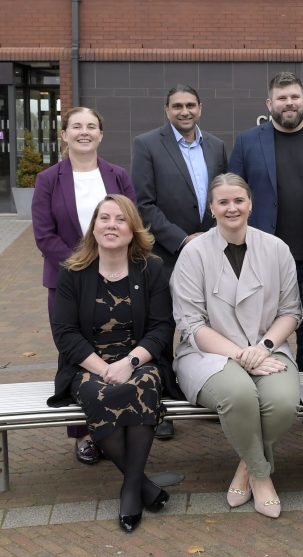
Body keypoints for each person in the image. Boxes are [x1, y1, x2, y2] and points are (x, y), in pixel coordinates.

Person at [170, 173, 302, 519]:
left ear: (250, 204)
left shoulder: (277, 249)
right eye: (223, 202)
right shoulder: (193, 253)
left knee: (284, 400)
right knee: (239, 395)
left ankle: (246, 465)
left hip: (268, 349)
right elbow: (191, 324)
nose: (232, 208)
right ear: (211, 208)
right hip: (207, 354)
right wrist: (243, 356)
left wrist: (264, 347)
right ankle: (261, 477)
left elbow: (290, 312)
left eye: (239, 200)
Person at [48, 194, 175, 533]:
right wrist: (103, 368)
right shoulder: (73, 272)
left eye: (120, 219)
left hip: (141, 359)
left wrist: (131, 361)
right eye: (104, 218)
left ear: (133, 229)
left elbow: (162, 327)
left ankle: (131, 489)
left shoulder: (153, 269)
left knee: (144, 386)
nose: (111, 226)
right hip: (87, 363)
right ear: (93, 227)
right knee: (99, 394)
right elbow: (65, 332)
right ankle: (140, 485)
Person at [32, 106, 137, 466]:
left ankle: (118, 422)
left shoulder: (117, 175)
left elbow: (131, 222)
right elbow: (44, 237)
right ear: (64, 134)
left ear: (101, 134)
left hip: (118, 276)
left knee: (117, 347)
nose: (84, 132)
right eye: (76, 126)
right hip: (66, 281)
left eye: (91, 125)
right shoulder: (49, 179)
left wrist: (111, 263)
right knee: (76, 351)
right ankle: (83, 435)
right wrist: (86, 266)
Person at [228, 71, 303, 373]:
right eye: (282, 98)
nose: (289, 103)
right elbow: (233, 194)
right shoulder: (248, 142)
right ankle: (258, 388)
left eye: (294, 97)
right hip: (260, 257)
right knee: (258, 327)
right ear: (269, 103)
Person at [132, 84, 227, 439]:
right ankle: (161, 407)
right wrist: (183, 239)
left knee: (212, 321)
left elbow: (223, 196)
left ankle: (211, 393)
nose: (184, 111)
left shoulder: (216, 146)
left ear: (200, 108)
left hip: (210, 252)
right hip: (167, 255)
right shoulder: (147, 145)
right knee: (162, 328)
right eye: (177, 106)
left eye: (190, 105)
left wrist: (212, 236)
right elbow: (143, 204)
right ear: (167, 110)